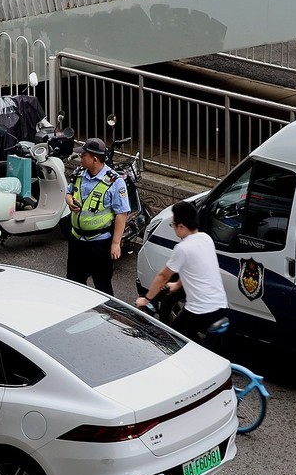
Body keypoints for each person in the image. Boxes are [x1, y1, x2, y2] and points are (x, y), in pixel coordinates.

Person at [136, 201, 228, 343]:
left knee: (176, 337)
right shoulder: (206, 238)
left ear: (181, 226)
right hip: (220, 306)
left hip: (200, 310)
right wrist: (178, 285)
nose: (173, 228)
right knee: (192, 339)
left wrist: (146, 299)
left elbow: (163, 276)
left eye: (173, 225)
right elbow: (193, 268)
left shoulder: (183, 248)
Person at [65, 137, 130, 296]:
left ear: (94, 159)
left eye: (83, 155)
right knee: (73, 284)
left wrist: (116, 243)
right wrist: (70, 201)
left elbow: (122, 213)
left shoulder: (115, 181)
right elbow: (68, 192)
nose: (80, 158)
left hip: (99, 243)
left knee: (102, 287)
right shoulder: (78, 173)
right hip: (77, 240)